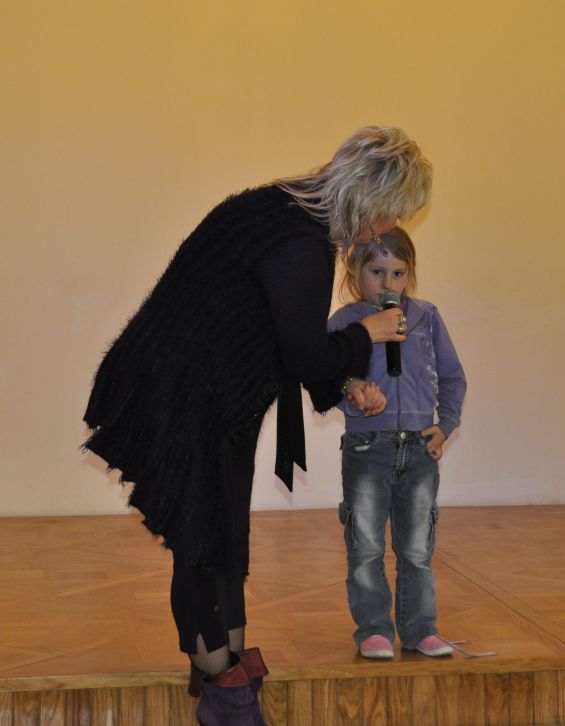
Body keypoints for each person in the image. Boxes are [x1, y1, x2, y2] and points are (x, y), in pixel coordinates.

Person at [82, 127, 433, 725]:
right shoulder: (301, 243)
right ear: (368, 197)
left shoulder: (281, 209)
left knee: (222, 533)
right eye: (390, 213)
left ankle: (228, 660)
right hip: (185, 391)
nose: (386, 229)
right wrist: (365, 336)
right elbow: (304, 354)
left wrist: (345, 380)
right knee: (203, 537)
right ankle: (220, 684)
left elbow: (284, 334)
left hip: (206, 388)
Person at [328, 226, 466, 661]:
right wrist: (353, 392)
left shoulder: (426, 317)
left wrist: (445, 425)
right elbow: (327, 379)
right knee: (366, 545)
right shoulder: (345, 323)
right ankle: (373, 630)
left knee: (417, 548)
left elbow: (453, 376)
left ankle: (420, 628)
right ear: (356, 270)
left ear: (410, 274)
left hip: (419, 449)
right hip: (367, 448)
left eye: (398, 273)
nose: (388, 283)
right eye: (377, 272)